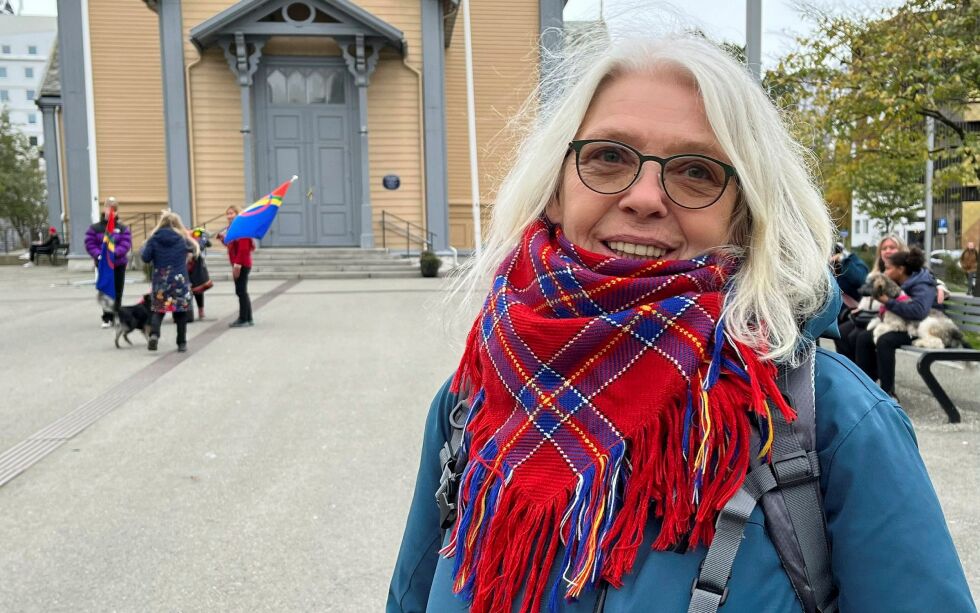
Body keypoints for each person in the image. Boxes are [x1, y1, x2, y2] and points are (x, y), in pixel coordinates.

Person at [387, 33, 974, 613]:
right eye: (608, 156)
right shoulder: (473, 399)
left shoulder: (831, 420)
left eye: (697, 171)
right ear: (556, 190)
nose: (645, 197)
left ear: (743, 217)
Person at [854, 247, 938, 401]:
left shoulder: (922, 284)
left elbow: (919, 312)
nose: (885, 272)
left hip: (921, 329)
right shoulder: (900, 282)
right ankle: (865, 388)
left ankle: (888, 392)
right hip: (903, 326)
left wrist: (888, 302)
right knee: (863, 338)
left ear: (901, 269)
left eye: (888, 269)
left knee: (885, 340)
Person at [833, 234, 905, 360]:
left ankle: (865, 374)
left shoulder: (907, 270)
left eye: (892, 247)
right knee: (841, 333)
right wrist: (861, 308)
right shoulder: (876, 272)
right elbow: (866, 295)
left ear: (901, 250)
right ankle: (851, 372)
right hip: (870, 314)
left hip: (895, 318)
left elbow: (928, 278)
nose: (887, 251)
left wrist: (940, 286)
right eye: (884, 248)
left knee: (860, 336)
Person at [140, 210, 198, 352]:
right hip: (179, 279)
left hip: (161, 279)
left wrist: (144, 248)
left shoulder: (154, 239)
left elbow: (145, 258)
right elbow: (195, 249)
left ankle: (154, 335)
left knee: (159, 310)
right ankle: (181, 343)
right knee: (180, 313)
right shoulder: (182, 239)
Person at [85, 197, 132, 328]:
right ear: (104, 209)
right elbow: (90, 243)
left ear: (117, 212)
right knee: (105, 290)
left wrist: (114, 253)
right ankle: (107, 317)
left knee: (117, 290)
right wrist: (99, 254)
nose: (111, 212)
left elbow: (125, 244)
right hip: (103, 264)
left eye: (114, 209)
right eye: (108, 208)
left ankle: (117, 315)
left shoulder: (122, 228)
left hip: (118, 264)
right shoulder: (95, 228)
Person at [217, 206, 255, 328]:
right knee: (242, 291)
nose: (229, 216)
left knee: (241, 291)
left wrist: (237, 265)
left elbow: (244, 249)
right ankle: (248, 318)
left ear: (237, 214)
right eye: (227, 213)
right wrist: (223, 239)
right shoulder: (232, 228)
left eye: (231, 213)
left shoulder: (242, 227)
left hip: (242, 264)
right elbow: (231, 245)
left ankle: (243, 319)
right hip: (238, 263)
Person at [186, 227, 213, 322]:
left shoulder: (195, 237)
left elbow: (208, 244)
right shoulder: (181, 239)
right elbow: (197, 247)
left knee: (198, 290)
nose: (189, 232)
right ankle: (185, 313)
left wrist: (203, 236)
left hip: (196, 268)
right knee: (185, 292)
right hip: (184, 268)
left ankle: (201, 311)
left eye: (189, 230)